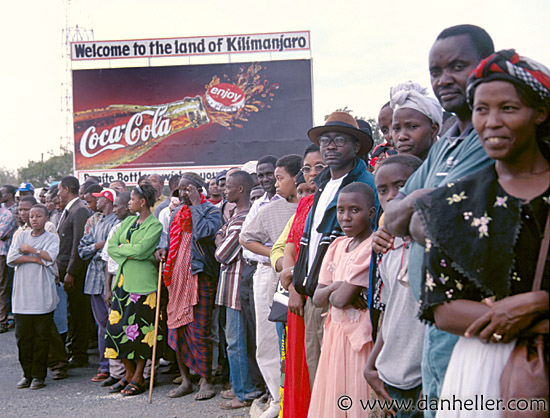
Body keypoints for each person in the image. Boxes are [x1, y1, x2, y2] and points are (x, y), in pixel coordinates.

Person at [414, 50, 550, 417]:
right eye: (481, 109)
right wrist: (517, 316)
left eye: (508, 108)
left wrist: (536, 303)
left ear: (540, 113)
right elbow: (441, 308)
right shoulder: (453, 204)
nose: (491, 122)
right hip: (483, 367)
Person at [378, 25, 495, 411]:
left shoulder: (491, 139)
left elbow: (437, 227)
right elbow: (395, 218)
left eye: (457, 66)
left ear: (486, 66)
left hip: (474, 317)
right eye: (435, 71)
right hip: (434, 319)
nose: (444, 80)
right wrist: (424, 203)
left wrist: (419, 206)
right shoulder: (446, 145)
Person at [292, 111, 377, 389]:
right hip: (318, 292)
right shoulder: (323, 184)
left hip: (348, 299)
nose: (330, 146)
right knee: (322, 374)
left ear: (356, 147)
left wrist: (352, 287)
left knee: (346, 381)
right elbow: (310, 240)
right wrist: (299, 281)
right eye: (325, 140)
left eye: (339, 140)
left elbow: (373, 238)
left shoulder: (366, 185)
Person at [240, 154, 303, 418]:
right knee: (268, 339)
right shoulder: (268, 209)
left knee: (294, 341)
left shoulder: (309, 206)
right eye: (273, 178)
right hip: (269, 277)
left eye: (279, 178)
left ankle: (295, 397)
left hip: (300, 281)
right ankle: (277, 399)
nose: (275, 184)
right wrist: (275, 256)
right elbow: (245, 238)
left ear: (296, 178)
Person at [308, 182, 376, 418]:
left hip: (358, 339)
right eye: (340, 210)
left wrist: (337, 290)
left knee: (357, 396)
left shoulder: (372, 247)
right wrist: (339, 286)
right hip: (335, 334)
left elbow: (339, 299)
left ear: (371, 213)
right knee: (335, 396)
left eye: (354, 210)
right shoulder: (337, 245)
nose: (345, 217)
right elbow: (318, 298)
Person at [364, 155, 424, 418]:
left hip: (423, 378)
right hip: (390, 375)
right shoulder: (387, 248)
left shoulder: (432, 248)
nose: (391, 196)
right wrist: (371, 364)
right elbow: (389, 313)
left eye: (401, 186)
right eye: (383, 190)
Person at [156, 172, 221, 400]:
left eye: (188, 189)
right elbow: (168, 238)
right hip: (176, 277)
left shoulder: (211, 211)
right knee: (177, 328)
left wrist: (195, 205)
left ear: (198, 190)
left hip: (199, 276)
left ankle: (206, 380)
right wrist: (162, 248)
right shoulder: (175, 213)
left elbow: (204, 233)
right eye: (180, 190)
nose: (183, 193)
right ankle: (185, 380)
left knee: (200, 330)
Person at [104, 183, 163, 396]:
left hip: (143, 286)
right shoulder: (128, 221)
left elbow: (142, 250)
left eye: (132, 199)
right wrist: (132, 252)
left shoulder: (154, 225)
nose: (129, 202)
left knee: (140, 332)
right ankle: (127, 374)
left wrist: (125, 250)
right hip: (122, 283)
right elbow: (111, 246)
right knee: (117, 330)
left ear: (143, 202)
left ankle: (139, 376)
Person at [214, 170, 257, 410]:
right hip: (232, 288)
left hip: (236, 288)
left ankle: (244, 391)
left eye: (229, 187)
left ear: (240, 189)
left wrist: (221, 237)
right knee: (235, 340)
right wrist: (222, 235)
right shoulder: (238, 216)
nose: (224, 190)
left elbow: (222, 254)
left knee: (236, 342)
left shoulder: (242, 219)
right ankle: (240, 387)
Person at [7, 204, 60, 390]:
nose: (34, 219)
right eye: (31, 216)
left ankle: (39, 375)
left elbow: (50, 257)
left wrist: (30, 249)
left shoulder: (52, 238)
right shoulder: (20, 235)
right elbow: (11, 258)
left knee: (41, 338)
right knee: (23, 338)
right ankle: (26, 373)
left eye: (38, 216)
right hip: (22, 296)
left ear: (46, 218)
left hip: (42, 295)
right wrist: (36, 259)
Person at [78, 188, 119, 382]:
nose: (95, 202)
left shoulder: (117, 223)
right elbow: (82, 250)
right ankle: (105, 366)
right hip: (93, 280)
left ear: (108, 201)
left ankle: (114, 367)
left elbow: (112, 252)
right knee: (101, 325)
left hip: (110, 280)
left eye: (99, 199)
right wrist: (97, 246)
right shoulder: (97, 222)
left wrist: (101, 248)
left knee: (113, 324)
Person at [57, 176, 92, 368]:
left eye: (60, 189)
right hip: (64, 268)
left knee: (79, 312)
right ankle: (74, 349)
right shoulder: (70, 210)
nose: (58, 193)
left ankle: (80, 353)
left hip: (74, 272)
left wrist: (71, 271)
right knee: (71, 312)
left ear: (67, 189)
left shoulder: (79, 210)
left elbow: (78, 243)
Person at [101, 191, 132, 388]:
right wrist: (107, 289)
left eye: (117, 206)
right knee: (114, 328)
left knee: (133, 329)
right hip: (116, 282)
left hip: (132, 282)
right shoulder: (115, 227)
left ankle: (140, 373)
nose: (114, 210)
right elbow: (108, 260)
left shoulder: (139, 226)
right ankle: (117, 372)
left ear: (128, 206)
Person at [390, 81, 443, 161]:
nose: (402, 137)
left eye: (412, 127)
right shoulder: (392, 171)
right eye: (396, 129)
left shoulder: (450, 166)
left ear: (434, 130)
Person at [0, 194, 17, 333]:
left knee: (1, 288)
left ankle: (2, 320)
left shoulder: (6, 214)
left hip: (1, 255)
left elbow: (1, 233)